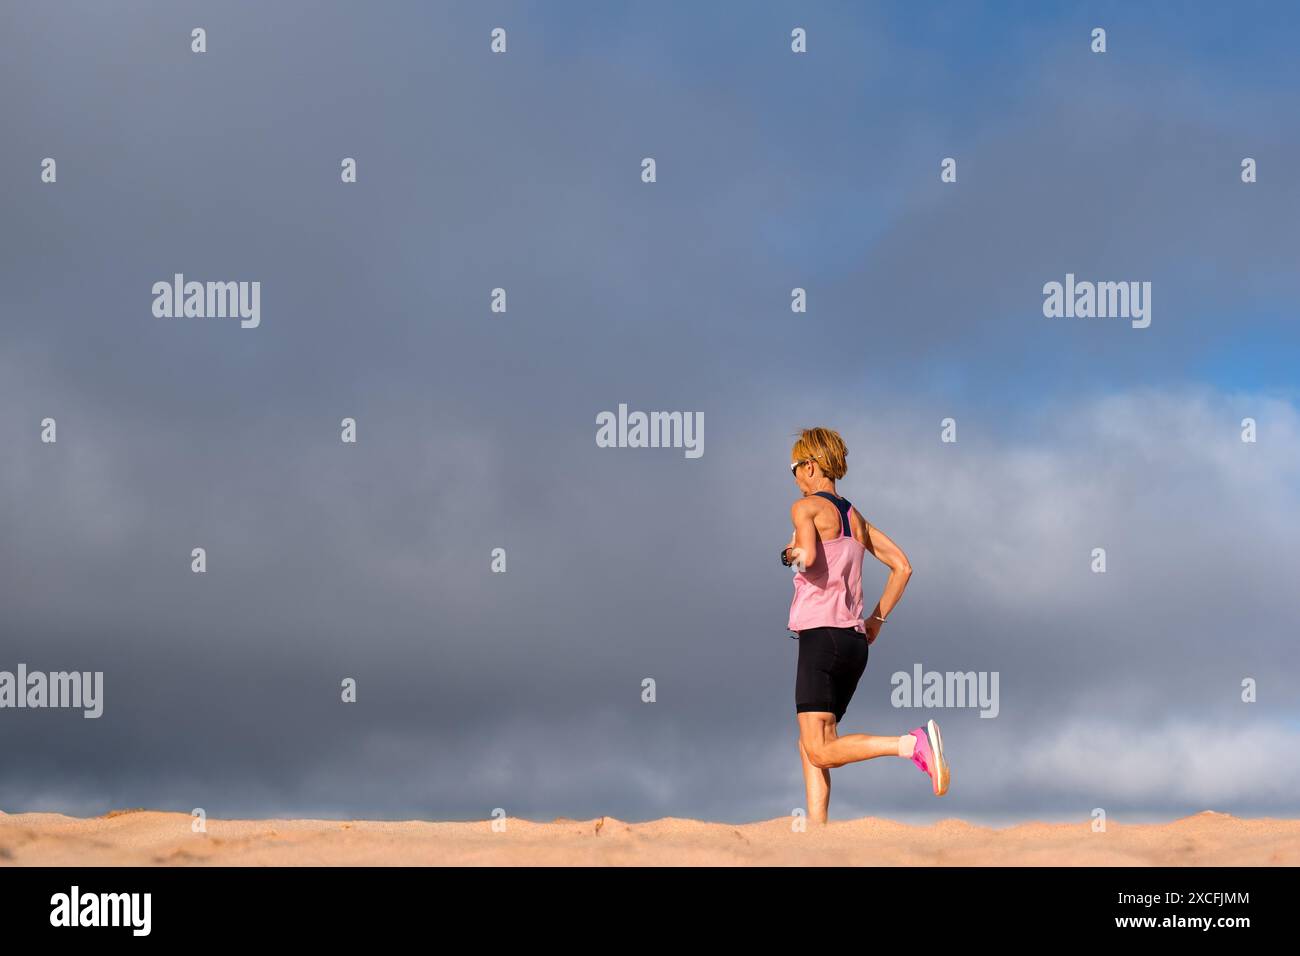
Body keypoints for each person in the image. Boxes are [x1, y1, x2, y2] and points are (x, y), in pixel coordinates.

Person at [782, 427, 949, 823]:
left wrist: (789, 554)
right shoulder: (856, 519)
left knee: (819, 748)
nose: (794, 477)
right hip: (854, 644)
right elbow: (902, 567)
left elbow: (807, 557)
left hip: (821, 637)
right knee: (813, 743)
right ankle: (817, 837)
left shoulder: (805, 508)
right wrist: (877, 619)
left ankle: (911, 745)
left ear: (810, 466)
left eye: (794, 468)